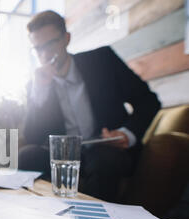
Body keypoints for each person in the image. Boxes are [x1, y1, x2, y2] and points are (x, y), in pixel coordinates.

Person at [19, 11, 161, 202]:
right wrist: (40, 92)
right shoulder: (36, 84)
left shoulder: (102, 60)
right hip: (64, 156)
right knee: (25, 156)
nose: (44, 55)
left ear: (66, 39)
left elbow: (148, 100)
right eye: (38, 49)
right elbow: (33, 137)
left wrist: (127, 133)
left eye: (50, 44)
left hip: (106, 147)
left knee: (104, 160)